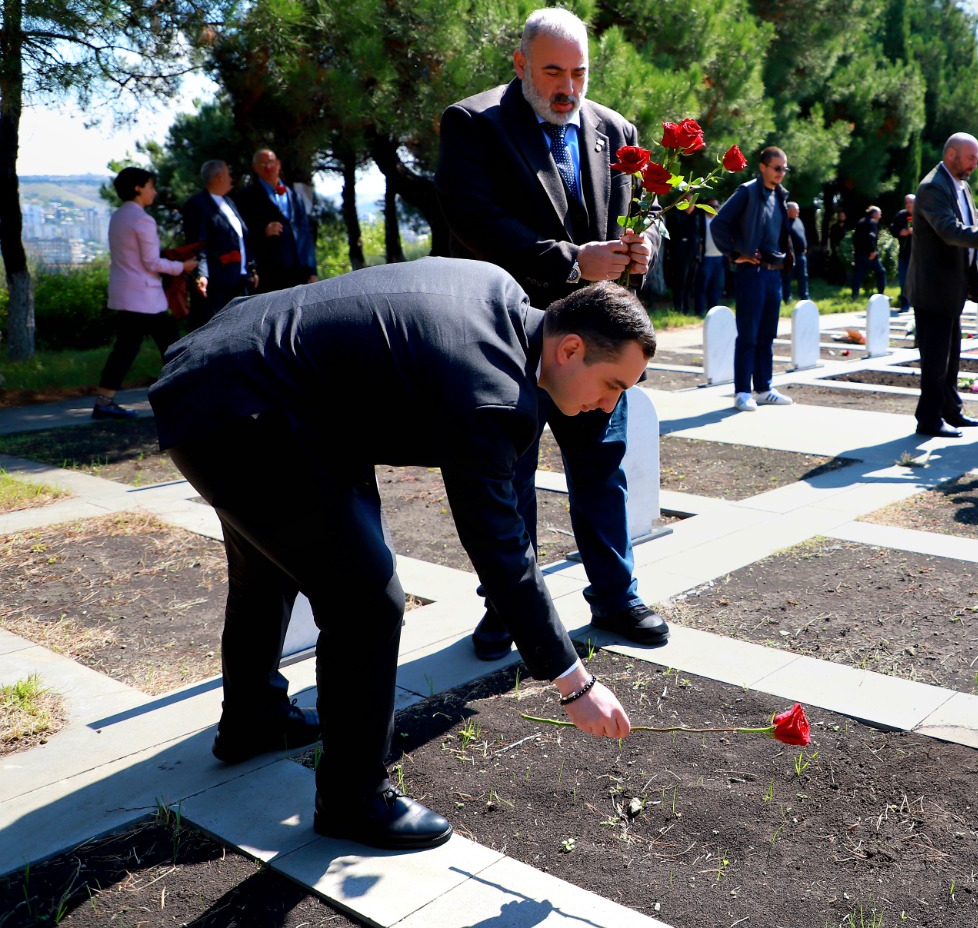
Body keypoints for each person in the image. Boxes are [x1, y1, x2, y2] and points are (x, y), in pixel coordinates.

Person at [151, 261, 642, 850]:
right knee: (367, 601)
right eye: (613, 385)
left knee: (270, 566)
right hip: (242, 413)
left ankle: (252, 718)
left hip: (237, 375)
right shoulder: (492, 393)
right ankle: (352, 799)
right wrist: (576, 685)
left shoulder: (499, 294)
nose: (609, 406)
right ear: (570, 349)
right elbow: (502, 551)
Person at [435, 6, 667, 650]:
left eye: (580, 73)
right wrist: (570, 261)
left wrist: (644, 245)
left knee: (602, 470)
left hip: (595, 343)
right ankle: (510, 606)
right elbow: (472, 220)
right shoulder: (474, 123)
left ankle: (616, 597)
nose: (569, 88)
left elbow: (643, 213)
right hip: (508, 338)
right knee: (508, 478)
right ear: (520, 64)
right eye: (553, 72)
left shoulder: (615, 130)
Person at [906, 133, 978, 437]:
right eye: (971, 158)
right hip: (934, 287)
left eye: (977, 158)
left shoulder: (961, 185)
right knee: (936, 360)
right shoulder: (933, 187)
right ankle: (929, 419)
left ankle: (951, 411)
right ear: (951, 155)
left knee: (951, 355)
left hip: (953, 286)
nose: (975, 164)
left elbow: (970, 227)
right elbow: (950, 231)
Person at [91, 167, 197, 420]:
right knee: (172, 347)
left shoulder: (118, 216)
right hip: (145, 297)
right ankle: (187, 397)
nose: (154, 192)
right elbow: (152, 262)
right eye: (150, 186)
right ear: (138, 188)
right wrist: (182, 266)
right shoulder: (143, 220)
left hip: (126, 294)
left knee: (126, 349)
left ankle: (104, 400)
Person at [711, 147, 798, 412]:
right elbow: (718, 224)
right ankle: (742, 392)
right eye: (777, 168)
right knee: (748, 335)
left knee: (767, 335)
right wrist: (735, 254)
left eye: (784, 168)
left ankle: (763, 388)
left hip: (773, 273)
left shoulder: (780, 195)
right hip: (752, 273)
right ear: (762, 167)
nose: (781, 173)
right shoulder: (747, 191)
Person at [181, 160, 256, 324]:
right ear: (219, 176)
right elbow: (197, 244)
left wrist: (251, 267)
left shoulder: (229, 202)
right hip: (216, 281)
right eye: (228, 174)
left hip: (239, 278)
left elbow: (241, 238)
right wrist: (201, 274)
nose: (231, 178)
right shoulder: (197, 205)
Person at [234, 148, 317, 292]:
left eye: (271, 162)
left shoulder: (294, 196)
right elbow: (241, 232)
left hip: (299, 271)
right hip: (268, 272)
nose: (268, 167)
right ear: (254, 167)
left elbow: (305, 232)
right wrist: (263, 231)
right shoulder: (246, 197)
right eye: (262, 163)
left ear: (278, 164)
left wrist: (312, 269)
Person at [665, 191, 703, 314]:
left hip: (693, 255)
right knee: (679, 283)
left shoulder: (697, 217)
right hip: (680, 256)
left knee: (689, 284)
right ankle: (679, 308)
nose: (690, 204)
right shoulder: (675, 217)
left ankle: (686, 308)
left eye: (692, 202)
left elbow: (699, 237)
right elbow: (671, 240)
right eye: (687, 201)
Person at [697, 199, 725, 315]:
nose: (715, 208)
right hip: (706, 258)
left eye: (717, 206)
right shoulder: (700, 220)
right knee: (702, 286)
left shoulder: (721, 220)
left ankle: (713, 312)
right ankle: (700, 311)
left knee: (717, 287)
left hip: (719, 258)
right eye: (712, 206)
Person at [851, 206, 886, 297]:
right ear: (874, 214)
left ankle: (854, 296)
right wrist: (873, 251)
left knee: (858, 275)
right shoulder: (873, 222)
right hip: (869, 254)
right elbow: (871, 236)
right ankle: (881, 295)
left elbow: (854, 238)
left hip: (859, 254)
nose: (880, 216)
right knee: (881, 272)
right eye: (879, 214)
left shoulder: (860, 222)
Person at [890, 194, 915, 310]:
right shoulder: (901, 215)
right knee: (903, 279)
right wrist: (901, 232)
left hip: (918, 254)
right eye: (907, 203)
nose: (909, 205)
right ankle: (905, 303)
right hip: (904, 253)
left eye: (911, 202)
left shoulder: (922, 214)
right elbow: (893, 228)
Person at [782, 200, 809, 303]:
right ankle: (787, 297)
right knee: (787, 277)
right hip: (790, 255)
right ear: (788, 210)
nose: (798, 211)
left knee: (803, 277)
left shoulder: (799, 221)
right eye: (795, 209)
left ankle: (805, 297)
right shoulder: (784, 222)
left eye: (798, 209)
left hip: (801, 255)